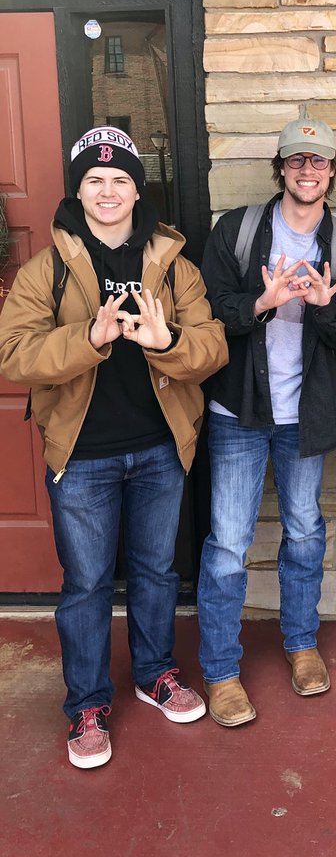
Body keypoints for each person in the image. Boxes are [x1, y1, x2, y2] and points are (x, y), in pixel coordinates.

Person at [0, 126, 227, 770]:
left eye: (120, 180)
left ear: (136, 190)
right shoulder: (46, 270)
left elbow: (213, 346)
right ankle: (87, 705)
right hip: (83, 456)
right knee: (88, 583)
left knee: (157, 572)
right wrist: (89, 339)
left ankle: (155, 674)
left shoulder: (173, 265)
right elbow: (13, 354)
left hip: (159, 447)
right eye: (95, 180)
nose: (108, 191)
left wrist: (165, 342)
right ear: (79, 190)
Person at [197, 118, 336, 727]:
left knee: (303, 533)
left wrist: (323, 310)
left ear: (332, 172)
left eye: (318, 162)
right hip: (238, 415)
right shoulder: (237, 231)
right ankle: (221, 672)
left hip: (307, 416)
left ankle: (301, 644)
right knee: (227, 544)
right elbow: (209, 310)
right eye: (296, 161)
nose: (307, 171)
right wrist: (261, 305)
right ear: (281, 168)